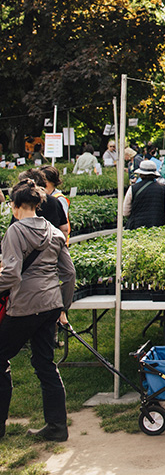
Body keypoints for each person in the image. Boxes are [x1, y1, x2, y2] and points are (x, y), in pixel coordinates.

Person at [0, 181, 76, 442]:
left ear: (16, 204)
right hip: (50, 305)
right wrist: (62, 308)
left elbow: (10, 274)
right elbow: (69, 274)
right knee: (45, 364)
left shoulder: (15, 231)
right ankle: (57, 427)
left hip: (24, 307)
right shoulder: (54, 232)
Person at [123, 160, 165, 229]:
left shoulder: (133, 188)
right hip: (158, 226)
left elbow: (125, 212)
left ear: (140, 174)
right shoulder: (163, 188)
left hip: (137, 226)